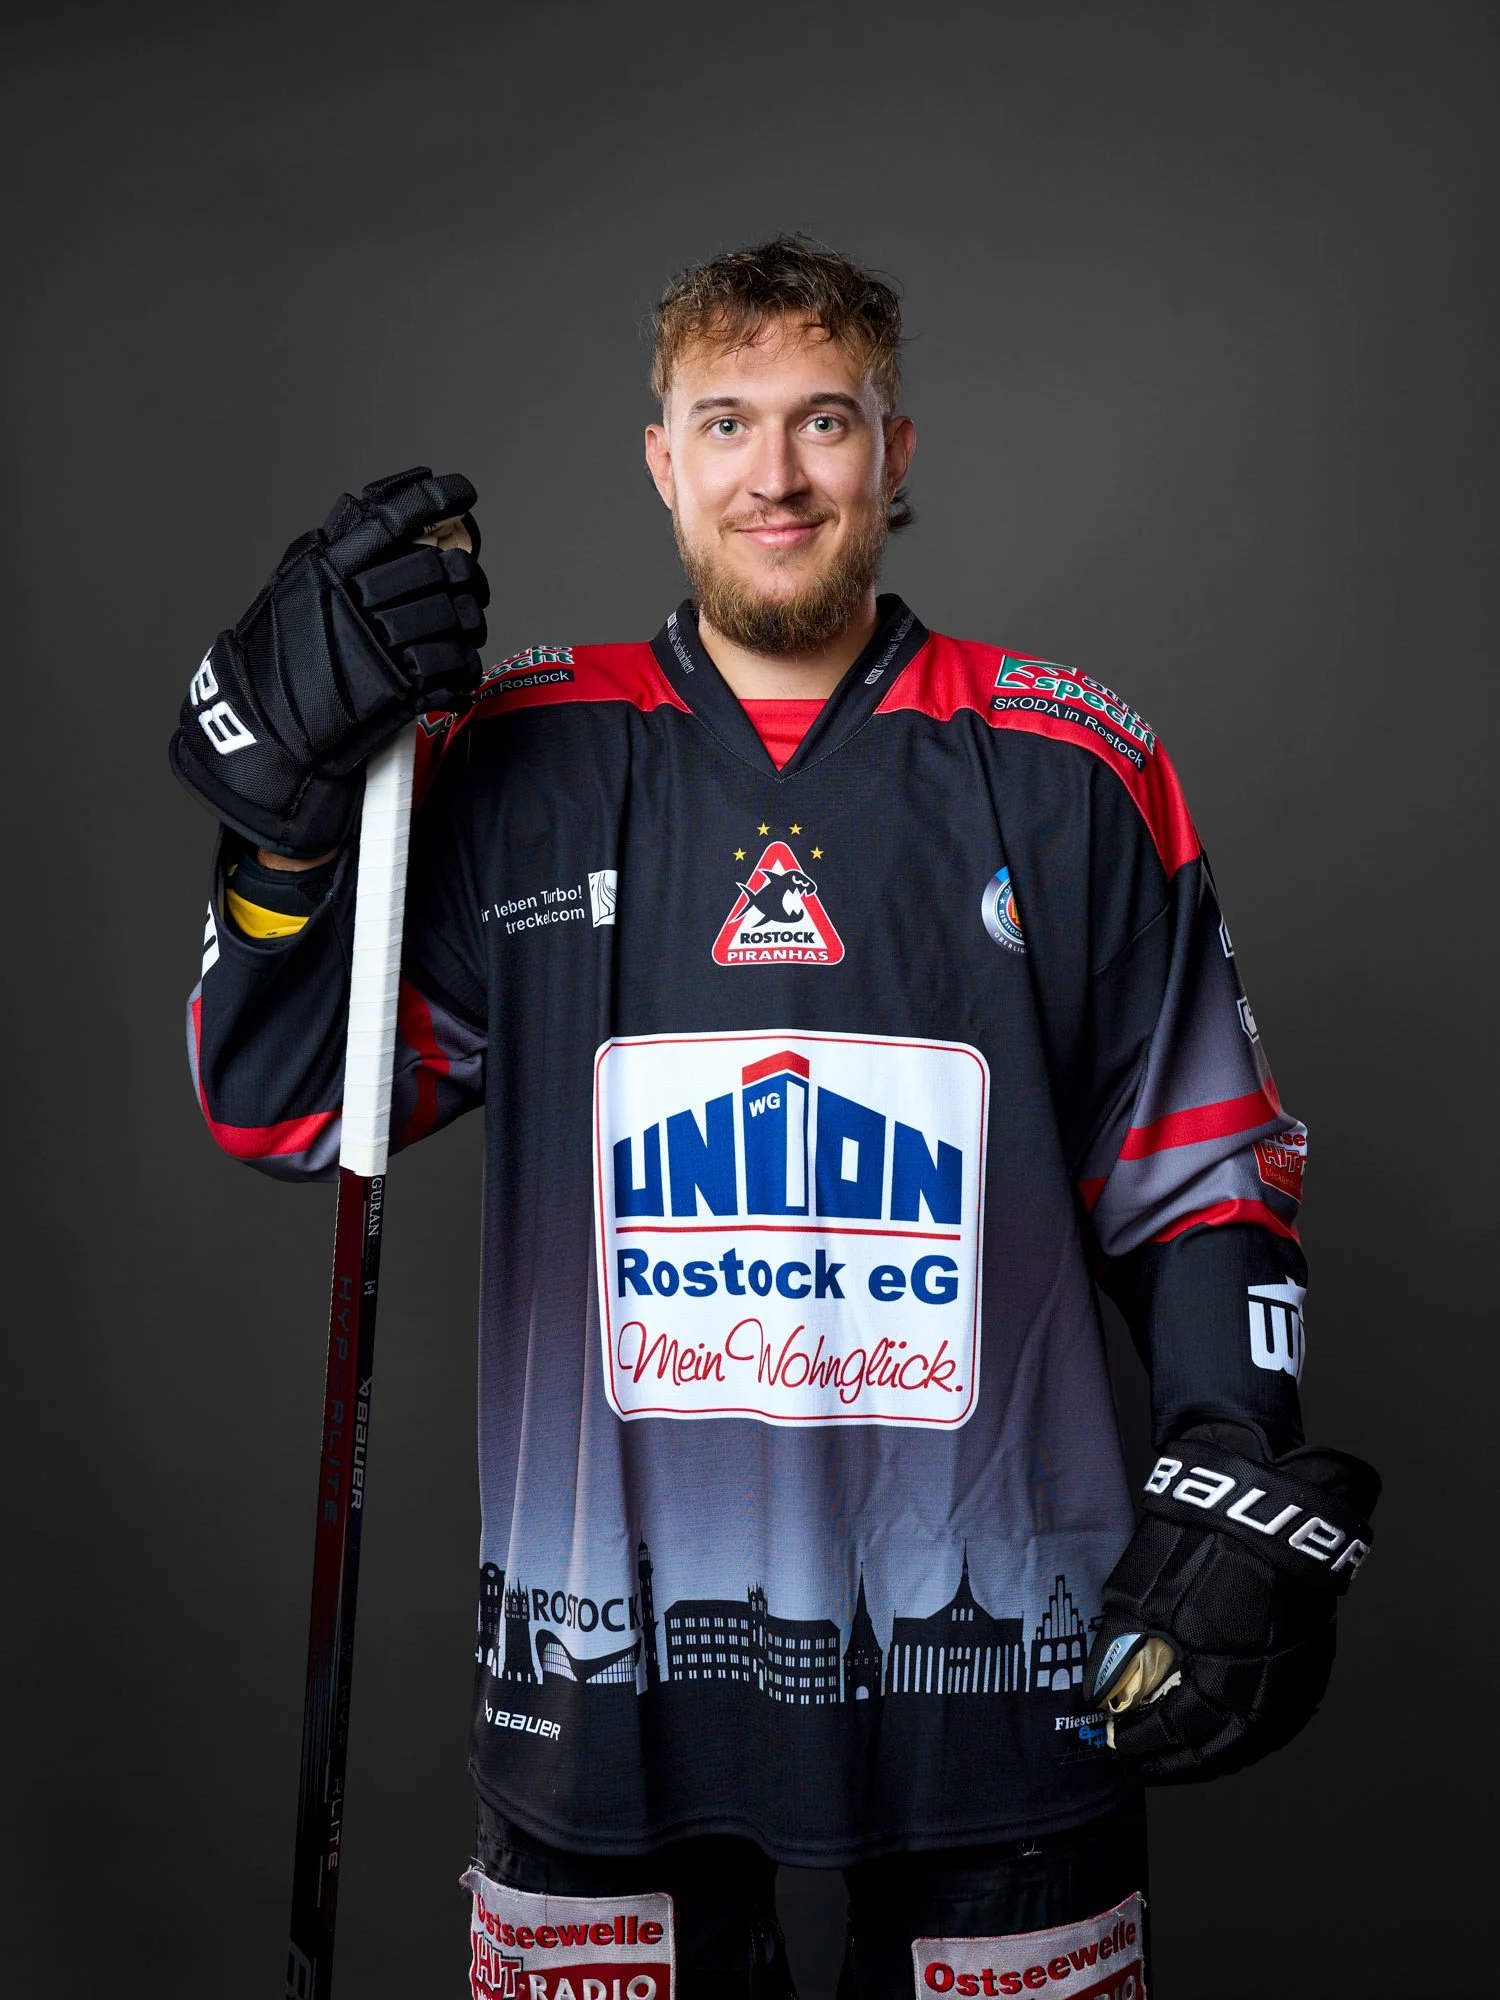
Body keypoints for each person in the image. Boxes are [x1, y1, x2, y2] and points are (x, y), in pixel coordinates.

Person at [171, 236, 1378, 1998]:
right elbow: (279, 1109)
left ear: (898, 454)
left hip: (1014, 1680)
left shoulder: (1072, 762)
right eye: (727, 422)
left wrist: (1230, 1459)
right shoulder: (514, 761)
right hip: (599, 1694)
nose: (778, 473)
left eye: (827, 421)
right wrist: (281, 836)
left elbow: (1199, 1171)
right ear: (662, 460)